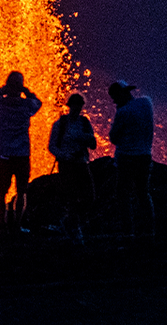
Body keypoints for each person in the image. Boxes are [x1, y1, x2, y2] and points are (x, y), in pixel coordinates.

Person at [0, 72, 42, 229]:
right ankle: (18, 224)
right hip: (22, 154)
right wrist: (26, 91)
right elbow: (37, 102)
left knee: (2, 191)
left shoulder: (1, 105)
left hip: (4, 154)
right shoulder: (26, 106)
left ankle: (2, 222)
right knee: (22, 191)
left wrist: (2, 90)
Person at [109, 81, 155, 238]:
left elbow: (113, 138)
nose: (114, 101)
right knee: (143, 193)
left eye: (115, 98)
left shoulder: (123, 112)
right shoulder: (146, 103)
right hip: (145, 156)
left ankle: (128, 232)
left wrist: (119, 112)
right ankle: (149, 231)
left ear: (122, 94)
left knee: (123, 194)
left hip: (127, 157)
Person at [48, 93, 97, 241]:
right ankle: (72, 226)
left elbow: (93, 144)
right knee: (70, 196)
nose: (77, 109)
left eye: (79, 106)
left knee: (89, 196)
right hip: (67, 165)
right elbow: (52, 146)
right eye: (75, 106)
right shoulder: (60, 124)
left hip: (81, 163)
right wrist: (64, 155)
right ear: (70, 106)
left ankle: (71, 222)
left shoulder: (84, 123)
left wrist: (82, 137)